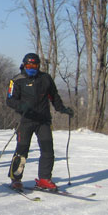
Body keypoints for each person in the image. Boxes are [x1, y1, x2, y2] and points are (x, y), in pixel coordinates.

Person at [6, 53, 73, 191]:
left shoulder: (45, 78)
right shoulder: (17, 80)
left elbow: (54, 96)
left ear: (39, 66)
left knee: (48, 149)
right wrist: (21, 106)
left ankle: (44, 178)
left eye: (35, 65)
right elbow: (10, 100)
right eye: (29, 65)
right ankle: (16, 179)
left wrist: (63, 109)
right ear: (24, 65)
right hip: (25, 120)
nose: (32, 68)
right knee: (22, 150)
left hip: (43, 120)